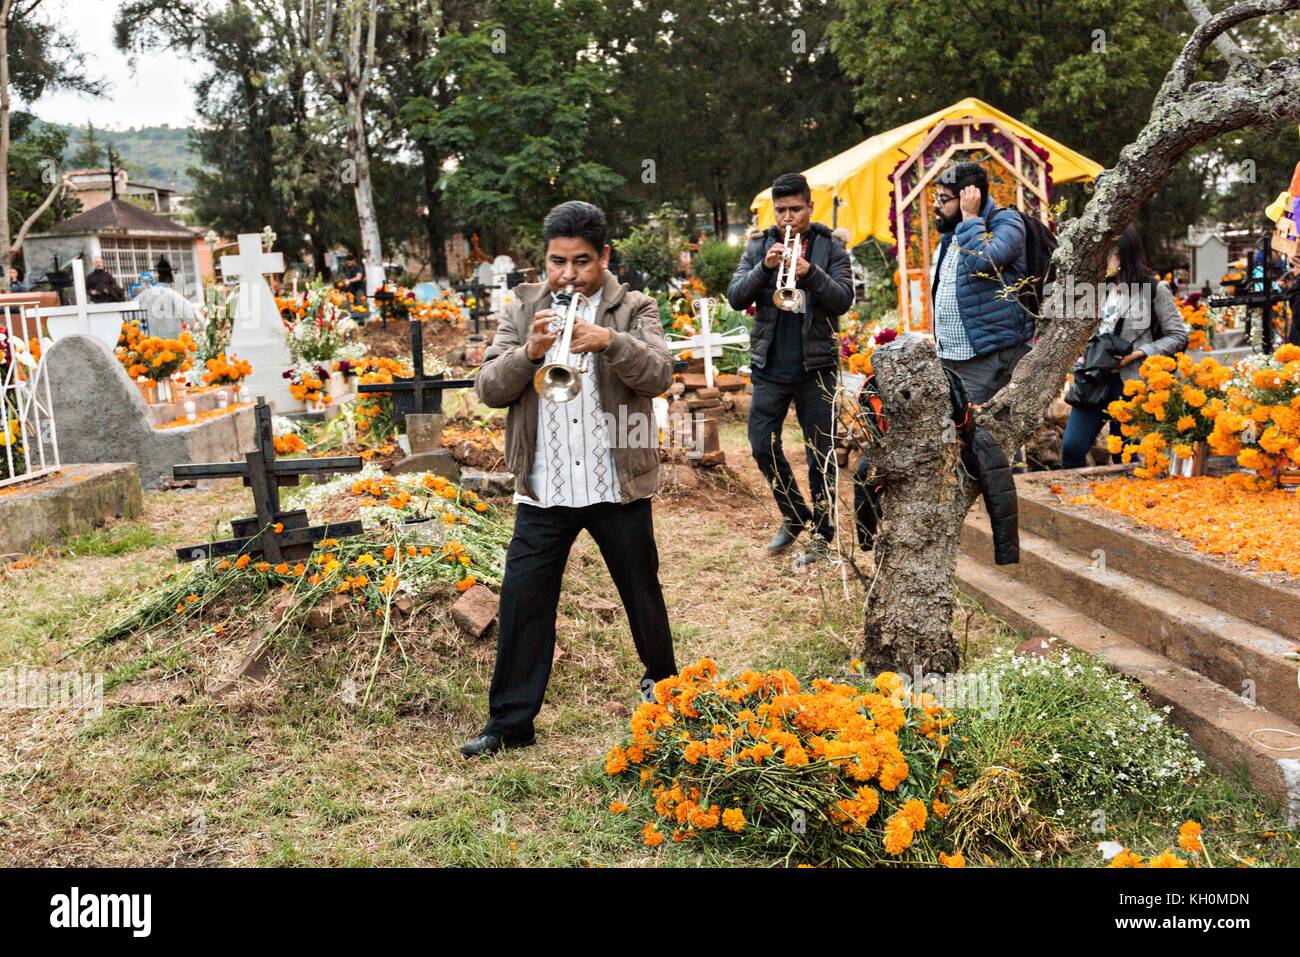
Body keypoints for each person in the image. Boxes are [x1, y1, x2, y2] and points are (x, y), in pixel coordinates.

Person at [461, 200, 677, 758]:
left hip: (616, 486)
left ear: (604, 256)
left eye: (581, 262)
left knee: (642, 593)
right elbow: (487, 389)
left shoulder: (634, 306)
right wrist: (531, 352)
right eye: (558, 262)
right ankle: (509, 724)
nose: (568, 275)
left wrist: (611, 342)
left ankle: (671, 693)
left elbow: (658, 376)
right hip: (545, 488)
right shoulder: (521, 310)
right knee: (523, 601)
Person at [727, 173, 854, 567]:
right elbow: (735, 297)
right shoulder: (757, 246)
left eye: (795, 209)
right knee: (762, 446)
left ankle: (823, 534)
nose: (788, 218)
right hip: (770, 367)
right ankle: (794, 512)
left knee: (821, 455)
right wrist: (765, 269)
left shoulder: (831, 247)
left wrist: (809, 273)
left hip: (816, 368)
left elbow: (843, 300)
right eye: (781, 210)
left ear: (809, 208)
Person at [1060, 225, 1188, 469]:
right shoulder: (1098, 288)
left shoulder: (1153, 289)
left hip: (1132, 381)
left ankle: (1123, 505)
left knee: (1126, 456)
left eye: (1108, 253)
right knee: (1072, 448)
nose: (1102, 259)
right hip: (1095, 378)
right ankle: (1079, 503)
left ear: (1123, 254)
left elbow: (1177, 336)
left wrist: (1139, 353)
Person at [931, 161, 1031, 405]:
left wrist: (970, 217)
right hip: (953, 357)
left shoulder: (1007, 222)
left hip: (989, 357)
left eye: (944, 199)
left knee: (979, 434)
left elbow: (983, 262)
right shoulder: (955, 232)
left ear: (970, 196)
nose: (936, 205)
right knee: (958, 431)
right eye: (936, 196)